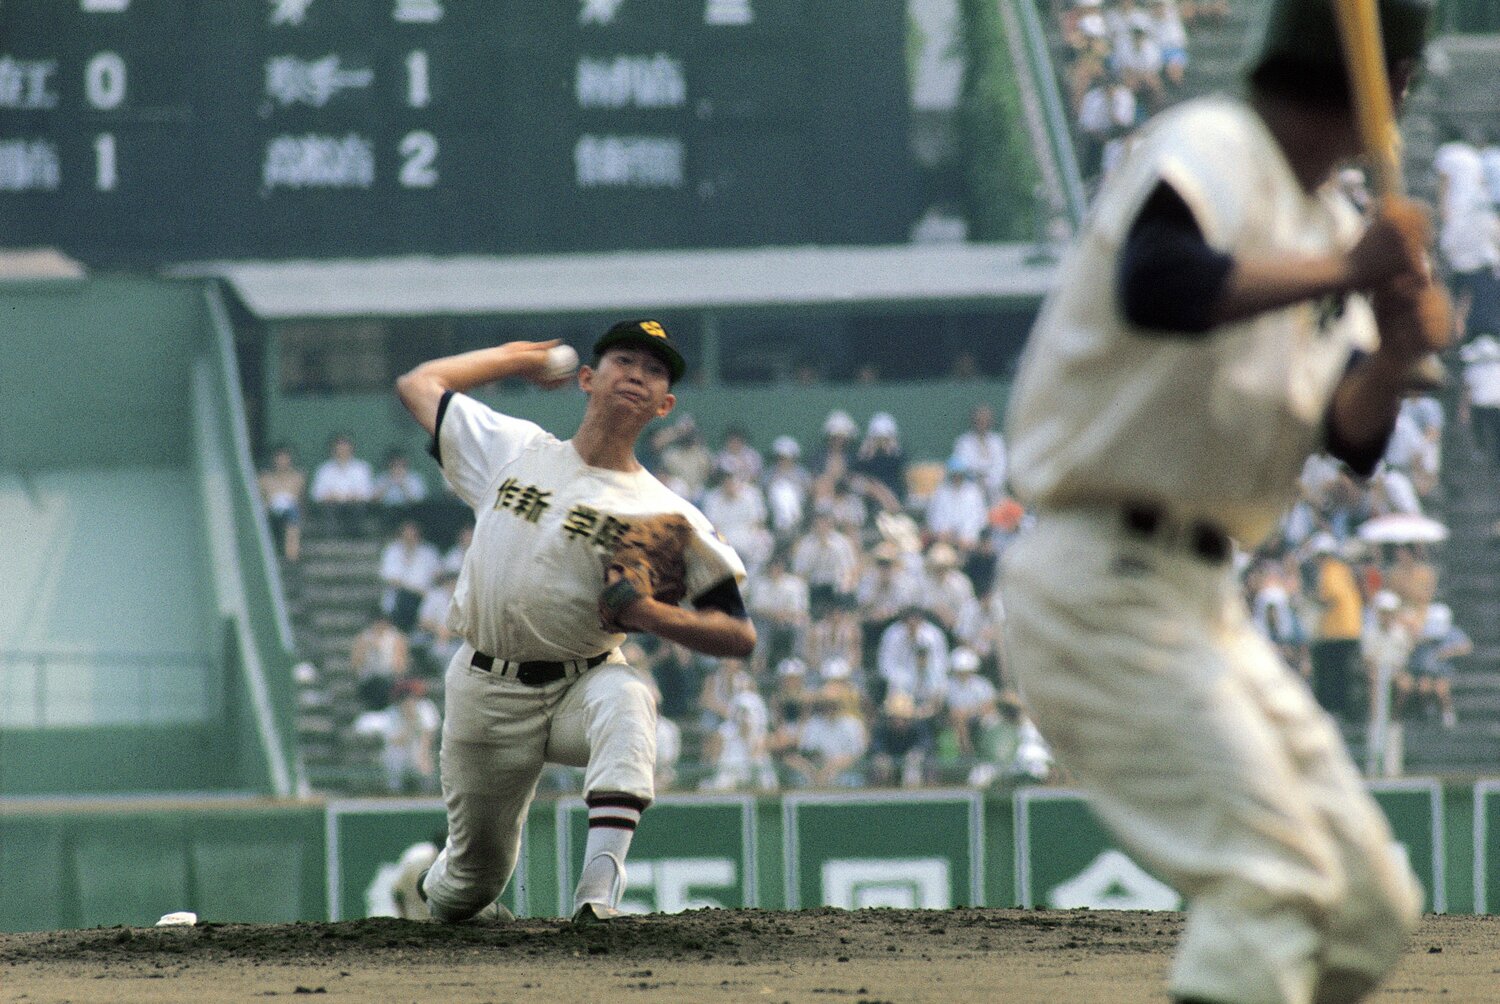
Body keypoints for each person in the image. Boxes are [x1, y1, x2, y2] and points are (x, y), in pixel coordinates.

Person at [998, 2, 1444, 1000]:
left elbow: (1352, 431)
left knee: (1368, 906)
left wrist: (1400, 349)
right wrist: (1348, 269)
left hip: (1205, 596)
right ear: (1391, 88)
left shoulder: (1329, 221)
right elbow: (1157, 281)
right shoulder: (1213, 143)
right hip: (1098, 575)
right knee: (1272, 882)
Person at [394, 320, 755, 924]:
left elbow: (737, 635)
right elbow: (418, 383)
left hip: (578, 685)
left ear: (665, 405)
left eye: (655, 369)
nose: (638, 372)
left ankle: (598, 900)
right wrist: (515, 358)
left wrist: (650, 614)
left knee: (628, 698)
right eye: (623, 359)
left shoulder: (663, 514)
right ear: (588, 378)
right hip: (486, 690)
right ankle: (429, 882)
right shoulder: (514, 449)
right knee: (470, 886)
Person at [353, 677, 442, 795]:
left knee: (423, 757)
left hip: (419, 750)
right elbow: (397, 741)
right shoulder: (391, 714)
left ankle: (427, 793)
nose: (408, 700)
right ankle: (394, 792)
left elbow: (428, 736)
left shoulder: (425, 707)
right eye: (404, 697)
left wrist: (423, 757)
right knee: (394, 754)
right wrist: (410, 722)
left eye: (412, 696)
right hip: (399, 752)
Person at [379, 519, 444, 633]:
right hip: (400, 596)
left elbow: (438, 576)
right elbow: (391, 579)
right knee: (405, 598)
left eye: (413, 534)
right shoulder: (392, 550)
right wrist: (414, 590)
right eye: (406, 534)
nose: (409, 537)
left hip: (424, 596)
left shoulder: (429, 552)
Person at [310, 432, 374, 535]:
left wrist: (353, 496)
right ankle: (332, 540)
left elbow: (368, 493)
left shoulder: (362, 468)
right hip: (332, 505)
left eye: (345, 447)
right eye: (339, 447)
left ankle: (355, 539)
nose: (342, 450)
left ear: (351, 449)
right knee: (328, 508)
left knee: (358, 507)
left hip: (354, 505)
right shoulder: (324, 469)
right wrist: (332, 497)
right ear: (333, 449)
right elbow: (316, 494)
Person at [257, 444, 306, 562]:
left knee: (293, 514)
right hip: (270, 510)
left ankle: (292, 556)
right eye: (279, 458)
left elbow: (298, 498)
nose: (282, 461)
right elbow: (260, 498)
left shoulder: (297, 477)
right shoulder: (264, 478)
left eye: (285, 458)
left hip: (290, 511)